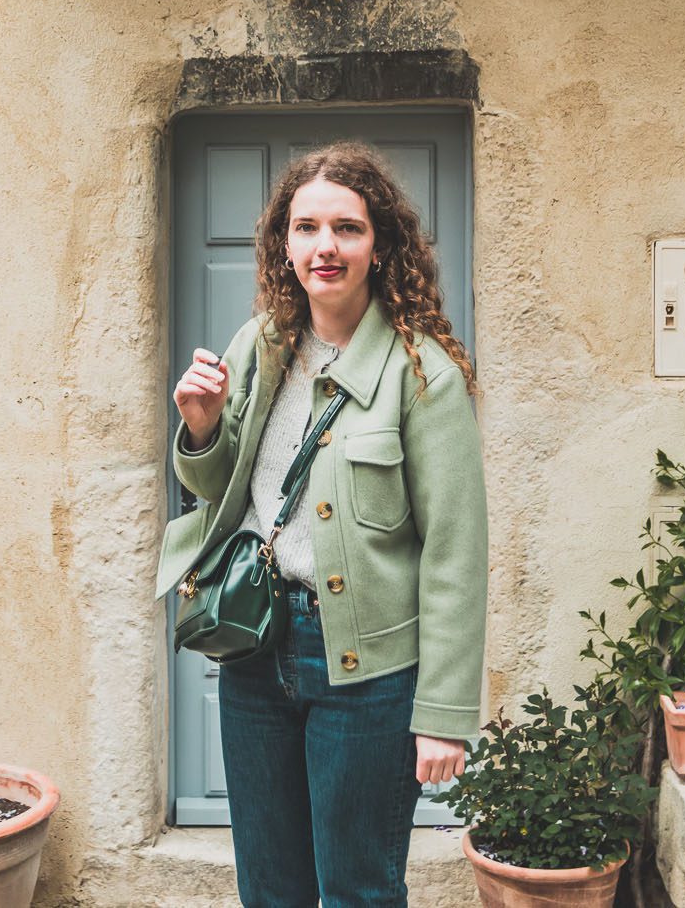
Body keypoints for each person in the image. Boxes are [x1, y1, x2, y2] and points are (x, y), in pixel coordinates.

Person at [170, 141, 488, 908]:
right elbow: (222, 493)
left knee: (357, 890)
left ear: (380, 246)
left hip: (367, 676)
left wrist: (444, 716)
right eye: (306, 227)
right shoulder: (260, 347)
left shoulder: (425, 376)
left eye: (347, 228)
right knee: (270, 889)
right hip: (256, 651)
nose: (325, 247)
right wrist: (203, 429)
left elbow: (454, 553)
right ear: (284, 242)